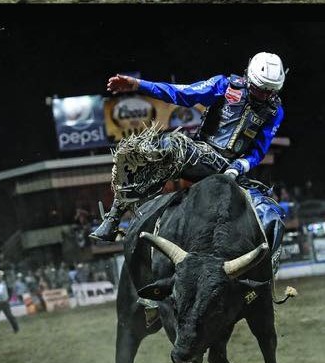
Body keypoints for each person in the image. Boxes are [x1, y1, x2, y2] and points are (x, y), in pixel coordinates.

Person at [89, 52, 288, 274]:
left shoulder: (275, 111)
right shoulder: (225, 85)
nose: (263, 95)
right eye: (260, 89)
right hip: (200, 153)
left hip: (232, 170)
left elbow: (259, 150)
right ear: (248, 78)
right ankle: (115, 216)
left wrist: (238, 167)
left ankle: (264, 276)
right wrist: (138, 84)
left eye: (269, 91)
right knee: (152, 147)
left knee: (272, 214)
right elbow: (183, 93)